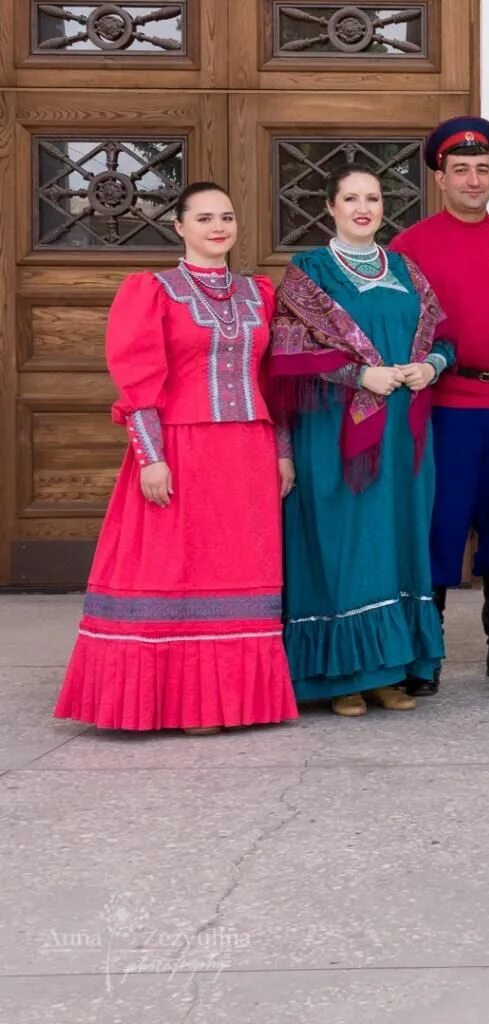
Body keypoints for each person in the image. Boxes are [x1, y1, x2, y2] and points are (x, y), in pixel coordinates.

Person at [53, 183, 298, 735]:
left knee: (239, 568)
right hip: (180, 447)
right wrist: (150, 458)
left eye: (227, 217)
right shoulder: (152, 291)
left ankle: (233, 701)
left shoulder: (259, 293)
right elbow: (136, 378)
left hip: (247, 452)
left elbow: (274, 382)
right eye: (205, 217)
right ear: (179, 227)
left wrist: (282, 452)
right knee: (175, 568)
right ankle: (182, 703)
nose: (219, 226)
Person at [270, 166, 452, 717]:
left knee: (394, 539)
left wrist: (433, 366)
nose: (363, 207)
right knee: (344, 543)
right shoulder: (309, 272)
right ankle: (341, 677)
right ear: (331, 206)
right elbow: (288, 348)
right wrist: (357, 376)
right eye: (351, 198)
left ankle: (390, 670)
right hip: (335, 430)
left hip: (402, 432)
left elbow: (444, 333)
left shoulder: (404, 269)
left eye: (372, 198)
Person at [391, 117, 489, 691]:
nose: (474, 179)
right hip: (442, 405)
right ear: (440, 177)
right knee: (440, 526)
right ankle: (425, 653)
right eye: (461, 169)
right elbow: (395, 328)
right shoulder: (409, 248)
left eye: (482, 169)